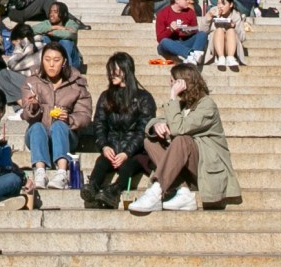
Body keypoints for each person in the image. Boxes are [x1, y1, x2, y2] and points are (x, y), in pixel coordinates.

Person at [131, 63, 238, 213]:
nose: (170, 84)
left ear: (183, 83)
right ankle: (183, 190)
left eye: (173, 81)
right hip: (187, 166)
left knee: (182, 140)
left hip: (205, 168)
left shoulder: (207, 105)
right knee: (151, 141)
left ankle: (156, 190)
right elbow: (158, 121)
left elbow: (179, 128)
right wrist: (157, 125)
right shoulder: (182, 105)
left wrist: (172, 97)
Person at [81, 52, 156, 209]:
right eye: (110, 70)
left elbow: (143, 129)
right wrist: (105, 146)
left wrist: (126, 152)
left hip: (136, 151)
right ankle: (92, 186)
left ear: (126, 70)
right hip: (112, 147)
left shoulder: (144, 98)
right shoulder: (106, 96)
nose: (111, 74)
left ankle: (114, 191)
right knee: (101, 161)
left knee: (128, 165)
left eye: (116, 71)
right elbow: (99, 124)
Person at [18, 43, 91, 188]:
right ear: (42, 60)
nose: (51, 64)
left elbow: (85, 115)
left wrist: (69, 119)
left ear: (64, 62)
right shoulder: (32, 82)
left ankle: (62, 174)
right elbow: (27, 116)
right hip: (38, 134)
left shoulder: (76, 84)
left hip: (66, 135)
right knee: (37, 127)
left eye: (56, 60)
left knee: (59, 125)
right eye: (47, 59)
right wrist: (33, 106)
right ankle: (40, 173)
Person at [154, 0, 205, 64]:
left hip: (185, 42)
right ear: (177, 0)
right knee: (164, 42)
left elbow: (195, 30)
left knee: (202, 34)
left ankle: (192, 58)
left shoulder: (190, 12)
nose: (188, 1)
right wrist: (170, 30)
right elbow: (160, 38)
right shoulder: (163, 14)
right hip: (170, 44)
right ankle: (191, 55)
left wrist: (189, 32)